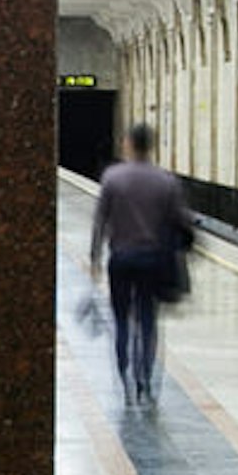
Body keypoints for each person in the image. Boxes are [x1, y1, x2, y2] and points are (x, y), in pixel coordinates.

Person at [85, 120, 192, 411]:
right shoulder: (166, 181)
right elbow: (182, 223)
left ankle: (123, 374)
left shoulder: (112, 178)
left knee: (121, 319)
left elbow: (99, 221)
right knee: (147, 318)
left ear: (129, 144)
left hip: (120, 259)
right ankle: (144, 377)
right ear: (152, 146)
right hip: (153, 260)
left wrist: (94, 257)